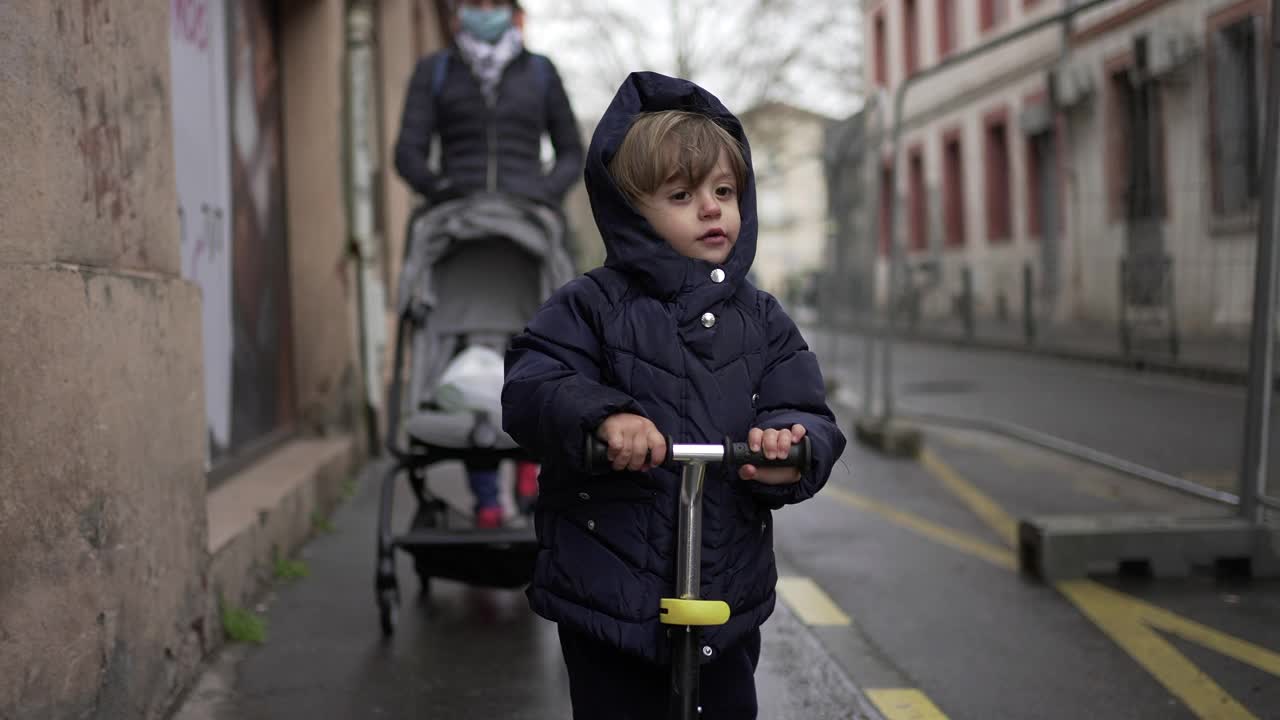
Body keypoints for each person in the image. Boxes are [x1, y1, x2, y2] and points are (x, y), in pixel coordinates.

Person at [501, 72, 847, 719]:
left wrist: (790, 447)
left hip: (722, 591)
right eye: (682, 194)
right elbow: (532, 386)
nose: (712, 208)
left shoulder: (762, 318)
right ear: (633, 212)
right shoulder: (590, 305)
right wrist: (604, 419)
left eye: (724, 191)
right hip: (608, 591)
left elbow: (806, 409)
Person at [394, 0, 583, 528]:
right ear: (458, 12)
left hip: (528, 233)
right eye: (474, 3)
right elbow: (407, 153)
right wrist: (441, 190)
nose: (485, 12)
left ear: (512, 11)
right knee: (469, 377)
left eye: (494, 3)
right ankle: (488, 502)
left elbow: (572, 150)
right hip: (459, 232)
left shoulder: (541, 73)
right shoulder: (434, 72)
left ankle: (529, 483)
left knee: (538, 357)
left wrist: (542, 193)